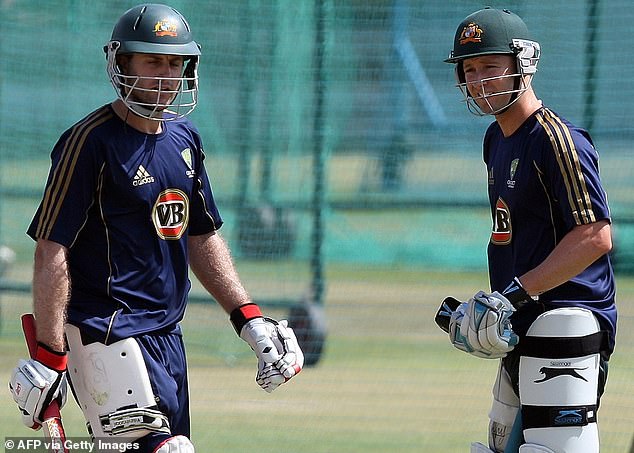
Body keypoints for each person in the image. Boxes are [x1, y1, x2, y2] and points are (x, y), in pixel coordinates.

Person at [9, 4, 303, 452]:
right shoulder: (89, 142)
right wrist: (50, 356)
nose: (166, 75)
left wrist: (248, 318)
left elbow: (200, 235)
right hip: (107, 333)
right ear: (121, 63)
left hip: (167, 336)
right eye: (152, 61)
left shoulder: (186, 138)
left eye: (174, 62)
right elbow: (52, 249)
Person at [442, 7, 616, 453]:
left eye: (490, 67)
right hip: (520, 318)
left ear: (523, 64)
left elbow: (595, 236)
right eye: (470, 69)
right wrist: (502, 302)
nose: (479, 80)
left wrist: (513, 294)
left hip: (565, 317)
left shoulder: (556, 138)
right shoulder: (496, 139)